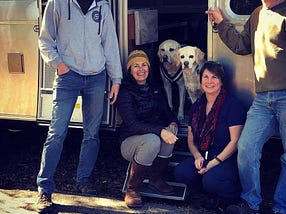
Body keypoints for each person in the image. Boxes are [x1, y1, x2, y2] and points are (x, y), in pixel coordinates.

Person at [206, 0, 286, 213]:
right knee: (246, 148)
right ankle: (250, 202)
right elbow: (241, 45)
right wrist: (221, 23)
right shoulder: (258, 14)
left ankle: (282, 209)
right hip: (263, 99)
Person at [35, 0, 122, 212]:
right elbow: (45, 40)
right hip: (68, 77)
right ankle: (44, 189)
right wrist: (59, 65)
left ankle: (83, 180)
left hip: (96, 77)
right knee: (56, 133)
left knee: (92, 133)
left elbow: (109, 44)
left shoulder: (102, 6)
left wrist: (116, 79)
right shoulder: (58, 3)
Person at [174, 61, 246, 211]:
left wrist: (213, 163)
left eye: (214, 77)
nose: (209, 81)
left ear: (221, 81)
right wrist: (197, 157)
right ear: (200, 81)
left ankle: (235, 198)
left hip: (227, 158)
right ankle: (210, 195)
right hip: (204, 155)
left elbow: (235, 141)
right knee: (181, 172)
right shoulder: (197, 106)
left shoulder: (232, 105)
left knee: (211, 180)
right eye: (205, 77)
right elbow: (191, 139)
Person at [116, 50, 179, 208]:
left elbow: (167, 111)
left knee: (169, 134)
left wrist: (173, 122)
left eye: (144, 65)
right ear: (130, 70)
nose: (141, 69)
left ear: (149, 68)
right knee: (153, 141)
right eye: (135, 66)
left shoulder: (155, 88)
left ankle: (155, 179)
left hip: (153, 135)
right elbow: (133, 124)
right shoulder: (125, 91)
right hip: (130, 141)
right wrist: (160, 130)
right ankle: (132, 189)